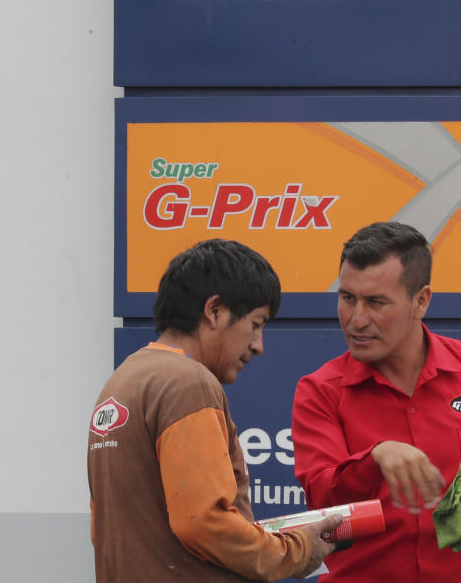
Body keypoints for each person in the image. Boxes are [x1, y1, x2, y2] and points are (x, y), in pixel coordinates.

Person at [291, 222, 461, 582]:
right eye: (347, 298)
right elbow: (322, 500)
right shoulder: (320, 389)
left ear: (421, 301)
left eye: (375, 302)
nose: (356, 319)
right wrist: (376, 458)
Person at [87, 239, 341, 582]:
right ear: (215, 310)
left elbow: (103, 529)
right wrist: (296, 550)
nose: (258, 345)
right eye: (256, 324)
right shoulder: (188, 382)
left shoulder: (121, 383)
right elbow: (204, 523)